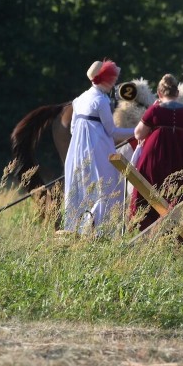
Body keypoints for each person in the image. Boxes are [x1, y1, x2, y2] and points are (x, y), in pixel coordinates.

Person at [129, 74, 183, 235]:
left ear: (159, 92)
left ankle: (146, 234)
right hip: (181, 160)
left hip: (154, 160)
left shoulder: (154, 110)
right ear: (177, 93)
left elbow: (138, 134)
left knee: (149, 194)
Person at [63, 59, 135, 235]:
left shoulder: (78, 100)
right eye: (113, 78)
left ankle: (77, 230)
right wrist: (137, 130)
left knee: (79, 188)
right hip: (98, 150)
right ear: (106, 79)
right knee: (107, 186)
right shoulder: (101, 101)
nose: (115, 82)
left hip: (77, 151)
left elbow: (73, 129)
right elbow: (112, 131)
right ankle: (101, 231)